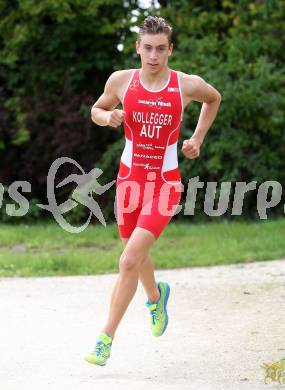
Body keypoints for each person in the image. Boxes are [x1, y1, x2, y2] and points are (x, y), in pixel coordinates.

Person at [85, 15, 221, 366]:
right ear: (138, 48)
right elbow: (97, 109)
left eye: (161, 49)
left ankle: (105, 338)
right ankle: (156, 297)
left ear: (170, 49)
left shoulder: (185, 85)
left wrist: (197, 138)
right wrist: (107, 117)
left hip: (164, 184)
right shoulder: (121, 81)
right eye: (148, 48)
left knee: (128, 259)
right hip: (129, 183)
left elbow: (214, 98)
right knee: (135, 254)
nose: (154, 55)